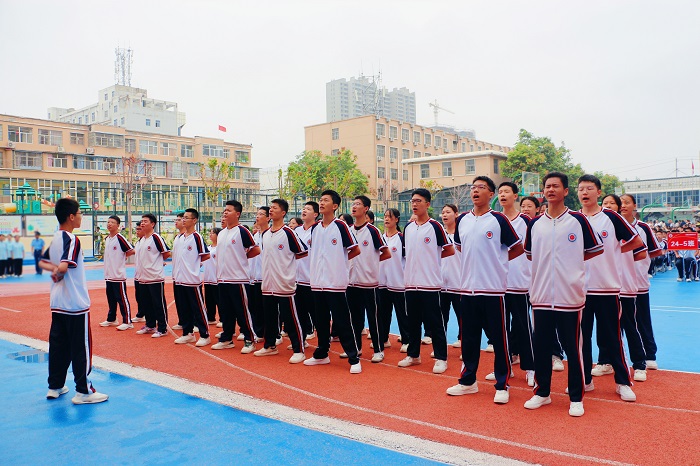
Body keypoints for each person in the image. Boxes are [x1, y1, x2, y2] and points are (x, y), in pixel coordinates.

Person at [523, 172, 603, 417]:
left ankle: (576, 397)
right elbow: (530, 254)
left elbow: (594, 249)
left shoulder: (578, 221)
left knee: (573, 349)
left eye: (555, 186)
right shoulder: (535, 224)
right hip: (541, 296)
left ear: (566, 191)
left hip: (570, 297)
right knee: (542, 347)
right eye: (547, 186)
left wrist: (571, 268)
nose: (550, 190)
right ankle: (542, 392)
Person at [446, 177, 523, 404]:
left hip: (492, 291)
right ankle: (468, 382)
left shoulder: (498, 219)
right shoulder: (462, 220)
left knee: (499, 340)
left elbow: (517, 247)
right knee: (469, 340)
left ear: (491, 194)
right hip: (467, 290)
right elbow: (460, 247)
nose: (476, 191)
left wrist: (498, 263)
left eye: (481, 188)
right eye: (473, 188)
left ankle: (502, 384)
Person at [578, 174, 642, 402]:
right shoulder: (574, 219)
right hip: (579, 290)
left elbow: (636, 242)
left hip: (606, 288)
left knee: (613, 338)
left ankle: (623, 382)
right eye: (581, 189)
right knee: (581, 339)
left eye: (589, 188)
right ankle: (584, 380)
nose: (584, 192)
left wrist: (614, 251)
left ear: (598, 192)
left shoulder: (611, 217)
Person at [41, 198, 108, 404]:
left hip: (58, 303)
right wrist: (58, 273)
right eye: (80, 213)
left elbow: (43, 262)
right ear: (71, 217)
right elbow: (63, 266)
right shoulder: (72, 239)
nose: (81, 216)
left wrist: (54, 272)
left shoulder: (55, 238)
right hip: (75, 304)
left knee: (58, 347)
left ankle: (55, 386)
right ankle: (84, 391)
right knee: (81, 348)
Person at [303, 189, 363, 374]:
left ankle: (353, 358)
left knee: (342, 321)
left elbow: (355, 249)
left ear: (335, 206)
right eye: (320, 200)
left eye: (326, 200)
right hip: (317, 283)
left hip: (335, 282)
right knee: (321, 322)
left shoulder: (341, 226)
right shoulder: (315, 228)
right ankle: (322, 354)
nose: (321, 203)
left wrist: (340, 262)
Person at [399, 188, 454, 374]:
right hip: (410, 283)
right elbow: (406, 254)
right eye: (413, 201)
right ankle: (413, 355)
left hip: (430, 284)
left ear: (428, 204)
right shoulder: (408, 228)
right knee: (413, 321)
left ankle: (441, 358)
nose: (414, 204)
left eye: (419, 201)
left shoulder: (435, 226)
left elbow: (449, 249)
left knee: (435, 323)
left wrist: (432, 260)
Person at [254, 198, 308, 363]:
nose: (271, 210)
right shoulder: (265, 234)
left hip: (284, 283)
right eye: (270, 207)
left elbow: (302, 251)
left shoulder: (288, 232)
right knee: (269, 317)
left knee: (290, 318)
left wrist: (286, 266)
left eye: (275, 208)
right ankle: (270, 346)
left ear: (283, 212)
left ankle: (299, 349)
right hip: (267, 283)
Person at [521, 196, 565, 372]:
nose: (525, 209)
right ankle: (518, 354)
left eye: (529, 206)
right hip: (522, 283)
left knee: (552, 323)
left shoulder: (547, 226)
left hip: (546, 282)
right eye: (523, 206)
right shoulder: (525, 225)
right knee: (523, 324)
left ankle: (556, 354)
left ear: (537, 209)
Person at [498, 182, 535, 387]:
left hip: (520, 283)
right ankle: (504, 367)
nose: (502, 195)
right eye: (500, 192)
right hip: (498, 284)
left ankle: (531, 368)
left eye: (506, 192)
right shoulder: (495, 220)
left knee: (523, 327)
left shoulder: (526, 221)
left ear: (515, 196)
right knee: (500, 330)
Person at [212, 200, 260, 352]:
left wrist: (241, 258)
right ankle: (227, 338)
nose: (225, 212)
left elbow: (256, 250)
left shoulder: (242, 231)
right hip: (222, 278)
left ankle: (249, 339)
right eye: (224, 210)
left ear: (237, 214)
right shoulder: (222, 233)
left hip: (238, 279)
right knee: (225, 311)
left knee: (242, 311)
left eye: (229, 210)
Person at [621, 194, 663, 371]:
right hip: (617, 285)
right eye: (620, 202)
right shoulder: (613, 226)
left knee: (642, 320)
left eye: (627, 202)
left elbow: (656, 251)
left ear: (634, 206)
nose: (623, 205)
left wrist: (640, 262)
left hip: (638, 283)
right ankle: (611, 358)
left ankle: (649, 355)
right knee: (616, 324)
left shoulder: (643, 227)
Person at [347, 196, 390, 363]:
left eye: (358, 204)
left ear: (366, 209)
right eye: (353, 204)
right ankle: (356, 348)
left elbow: (386, 253)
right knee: (354, 318)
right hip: (351, 282)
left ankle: (378, 349)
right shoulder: (348, 230)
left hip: (369, 282)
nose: (354, 206)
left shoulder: (373, 231)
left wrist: (371, 263)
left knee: (373, 317)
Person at [172, 208, 211, 347]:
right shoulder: (179, 238)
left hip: (192, 280)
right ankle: (187, 333)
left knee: (198, 309)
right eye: (183, 217)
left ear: (194, 220)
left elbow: (205, 254)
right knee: (184, 308)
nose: (183, 220)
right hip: (178, 279)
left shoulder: (196, 237)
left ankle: (205, 335)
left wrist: (193, 265)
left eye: (186, 218)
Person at [134, 214, 171, 338]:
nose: (142, 223)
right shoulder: (141, 240)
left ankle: (162, 328)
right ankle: (150, 325)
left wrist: (157, 263)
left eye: (145, 221)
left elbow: (166, 253)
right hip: (142, 278)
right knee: (146, 303)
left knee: (158, 304)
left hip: (155, 277)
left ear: (153, 224)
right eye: (142, 221)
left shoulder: (156, 238)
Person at [378, 208, 409, 353]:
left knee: (402, 313)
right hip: (382, 282)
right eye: (385, 216)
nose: (386, 219)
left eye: (389, 217)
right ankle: (384, 339)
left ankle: (406, 340)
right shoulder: (380, 237)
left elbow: (407, 259)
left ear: (396, 219)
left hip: (398, 282)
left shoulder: (402, 238)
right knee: (383, 313)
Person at [99, 215, 135, 330]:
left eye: (112, 222)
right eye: (108, 222)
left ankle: (127, 321)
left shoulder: (120, 238)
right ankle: (112, 319)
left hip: (118, 275)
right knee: (111, 299)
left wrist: (123, 256)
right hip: (108, 275)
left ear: (118, 225)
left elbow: (131, 250)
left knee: (122, 299)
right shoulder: (107, 239)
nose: (109, 224)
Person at [294, 201, 319, 341]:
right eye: (303, 208)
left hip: (311, 279)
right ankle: (302, 340)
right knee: (300, 312)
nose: (304, 211)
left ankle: (323, 341)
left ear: (315, 214)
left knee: (315, 313)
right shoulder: (296, 230)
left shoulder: (318, 229)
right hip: (297, 279)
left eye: (308, 209)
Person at [440, 204, 462, 348]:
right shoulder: (440, 234)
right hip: (441, 284)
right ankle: (440, 346)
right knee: (441, 317)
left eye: (448, 212)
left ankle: (463, 341)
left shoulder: (462, 235)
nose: (445, 215)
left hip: (458, 283)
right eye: (443, 212)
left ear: (456, 214)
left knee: (463, 316)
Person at [248, 206, 271, 342]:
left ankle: (274, 334)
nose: (257, 216)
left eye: (261, 214)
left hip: (267, 277)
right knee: (256, 307)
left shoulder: (271, 234)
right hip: (255, 277)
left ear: (268, 218)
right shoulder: (255, 236)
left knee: (268, 308)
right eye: (257, 214)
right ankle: (259, 333)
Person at [171, 213, 187, 331]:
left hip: (187, 276)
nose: (176, 222)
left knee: (189, 301)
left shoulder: (191, 237)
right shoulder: (177, 237)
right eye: (175, 220)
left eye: (179, 219)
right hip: (176, 275)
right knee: (179, 300)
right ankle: (182, 321)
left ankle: (195, 323)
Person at [203, 228, 222, 325]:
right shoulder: (208, 248)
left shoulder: (220, 248)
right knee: (209, 300)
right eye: (210, 233)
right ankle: (211, 317)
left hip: (216, 278)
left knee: (219, 300)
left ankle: (223, 319)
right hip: (207, 278)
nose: (210, 235)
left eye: (213, 233)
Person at [131, 223, 146, 323]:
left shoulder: (150, 241)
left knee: (149, 298)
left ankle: (156, 318)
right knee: (139, 296)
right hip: (138, 274)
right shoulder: (138, 243)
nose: (137, 231)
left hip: (147, 276)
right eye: (136, 229)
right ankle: (141, 314)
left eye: (139, 229)